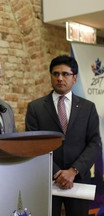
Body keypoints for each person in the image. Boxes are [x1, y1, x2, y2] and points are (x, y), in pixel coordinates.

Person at [25, 55, 101, 216]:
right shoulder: (35, 107)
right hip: (46, 180)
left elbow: (94, 143)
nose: (60, 78)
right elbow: (33, 144)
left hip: (78, 179)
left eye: (65, 74)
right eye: (55, 74)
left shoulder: (88, 107)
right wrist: (57, 173)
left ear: (75, 78)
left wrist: (73, 171)